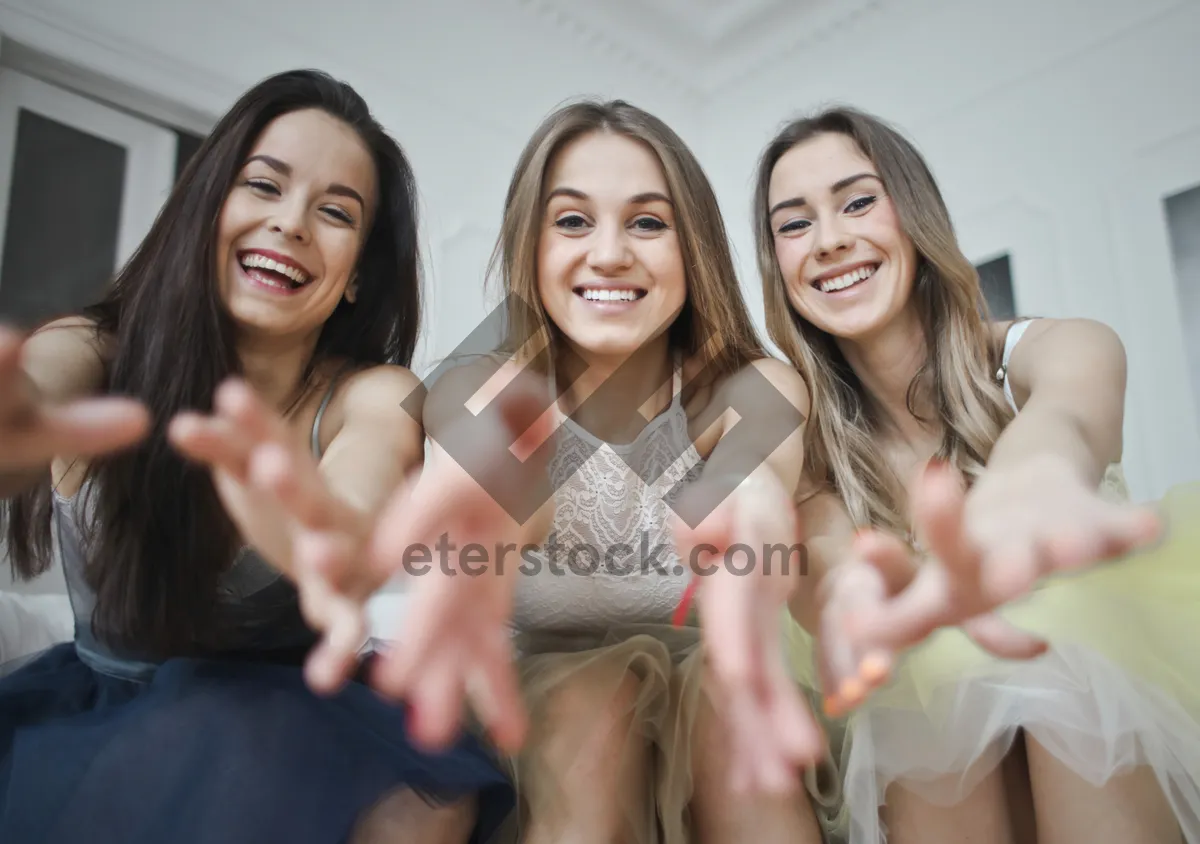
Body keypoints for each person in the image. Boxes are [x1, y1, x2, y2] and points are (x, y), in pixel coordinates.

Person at [0, 69, 514, 844]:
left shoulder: (373, 392)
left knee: (428, 795)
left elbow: (366, 473)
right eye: (263, 186)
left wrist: (335, 531)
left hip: (292, 706)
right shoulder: (92, 349)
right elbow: (33, 400)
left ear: (357, 277)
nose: (292, 224)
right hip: (105, 702)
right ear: (207, 209)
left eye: (335, 212)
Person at [352, 99, 842, 844]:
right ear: (531, 245)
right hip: (534, 709)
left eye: (647, 222)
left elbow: (753, 490)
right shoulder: (477, 384)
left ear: (693, 248)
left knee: (729, 704)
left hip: (720, 703)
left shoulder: (750, 386)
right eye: (573, 222)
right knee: (594, 699)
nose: (609, 253)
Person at [752, 104, 1200, 843]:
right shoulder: (813, 449)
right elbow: (831, 580)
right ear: (778, 264)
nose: (830, 241)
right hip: (929, 738)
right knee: (921, 686)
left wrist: (1014, 510)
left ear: (915, 216)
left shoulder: (1055, 349)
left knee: (1053, 638)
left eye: (859, 202)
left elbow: (1065, 427)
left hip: (1093, 688)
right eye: (794, 224)